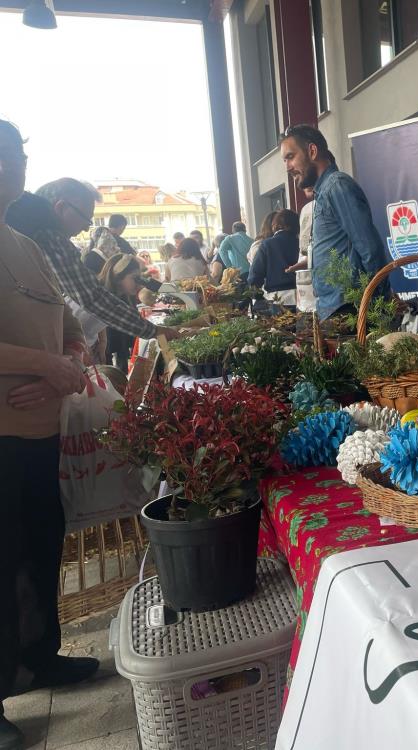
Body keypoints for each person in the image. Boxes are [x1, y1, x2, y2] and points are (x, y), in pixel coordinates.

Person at [0, 118, 98, 750]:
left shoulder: (22, 242)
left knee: (39, 546)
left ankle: (38, 657)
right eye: (7, 158)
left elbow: (70, 326)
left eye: (18, 159)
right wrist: (44, 366)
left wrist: (67, 368)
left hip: (37, 435)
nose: (16, 171)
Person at [6, 178, 178, 349]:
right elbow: (92, 298)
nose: (85, 229)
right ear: (61, 207)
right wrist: (153, 331)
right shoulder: (49, 235)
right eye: (85, 220)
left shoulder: (24, 221)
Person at [280, 124, 389, 319]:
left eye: (290, 157)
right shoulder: (324, 192)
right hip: (335, 308)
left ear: (312, 151)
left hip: (350, 309)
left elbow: (370, 249)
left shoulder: (336, 186)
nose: (287, 167)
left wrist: (378, 305)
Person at [97, 254, 145, 370]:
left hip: (111, 346)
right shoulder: (102, 297)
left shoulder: (124, 296)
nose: (139, 283)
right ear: (117, 278)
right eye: (135, 278)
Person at [248, 209, 299, 309]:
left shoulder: (267, 244)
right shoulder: (302, 242)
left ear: (275, 225)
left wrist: (257, 297)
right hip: (303, 296)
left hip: (277, 298)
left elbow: (255, 275)